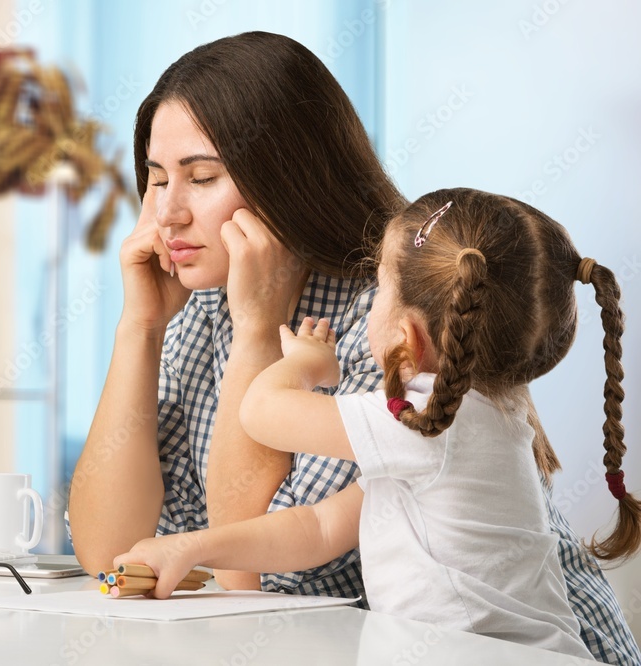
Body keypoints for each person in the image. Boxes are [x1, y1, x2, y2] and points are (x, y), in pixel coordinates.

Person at [68, 31, 640, 664]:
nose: (167, 213)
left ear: (286, 179)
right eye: (154, 180)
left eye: (201, 178)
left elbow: (270, 580)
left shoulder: (402, 325)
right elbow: (109, 556)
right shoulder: (202, 303)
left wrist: (259, 332)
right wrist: (139, 330)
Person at [114, 187, 640, 658]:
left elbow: (259, 411)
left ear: (406, 337)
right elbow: (315, 528)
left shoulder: (440, 427)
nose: (368, 304)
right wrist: (191, 548)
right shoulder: (465, 421)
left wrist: (303, 363)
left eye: (380, 288)